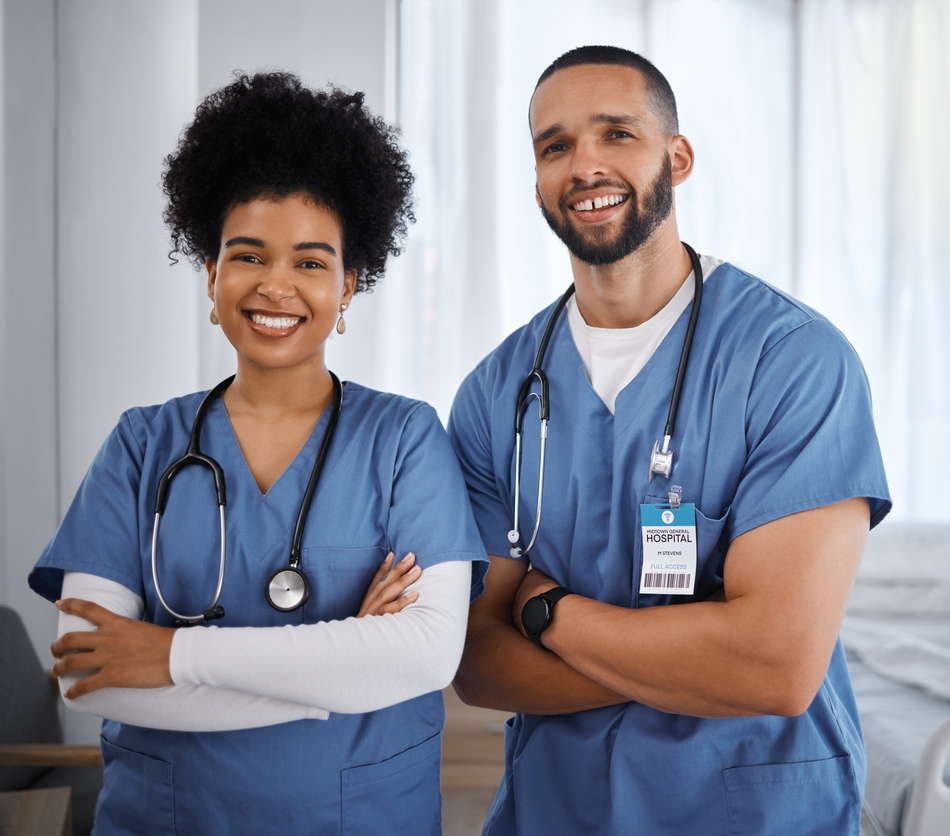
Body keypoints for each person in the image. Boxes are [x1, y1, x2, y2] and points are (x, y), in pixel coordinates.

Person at [448, 46, 892, 835]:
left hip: (752, 811)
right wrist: (694, 659)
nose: (583, 164)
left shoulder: (791, 360)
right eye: (554, 147)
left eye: (616, 133)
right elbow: (477, 663)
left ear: (676, 158)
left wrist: (550, 615)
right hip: (557, 809)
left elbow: (776, 667)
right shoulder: (496, 394)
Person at [28, 72, 488, 835]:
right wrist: (336, 680)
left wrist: (170, 657)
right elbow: (89, 673)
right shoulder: (141, 445)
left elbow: (425, 656)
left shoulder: (405, 439)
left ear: (349, 287)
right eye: (248, 256)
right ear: (211, 277)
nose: (276, 286)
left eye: (311, 262)